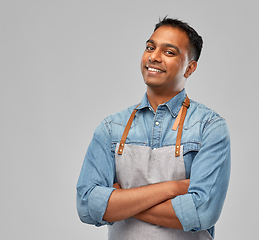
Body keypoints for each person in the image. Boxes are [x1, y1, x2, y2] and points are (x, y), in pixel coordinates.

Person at [76, 17, 231, 240]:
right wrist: (173, 188)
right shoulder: (111, 129)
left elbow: (201, 212)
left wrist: (121, 201)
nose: (154, 57)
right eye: (150, 47)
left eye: (169, 52)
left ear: (190, 68)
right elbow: (87, 205)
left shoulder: (209, 128)